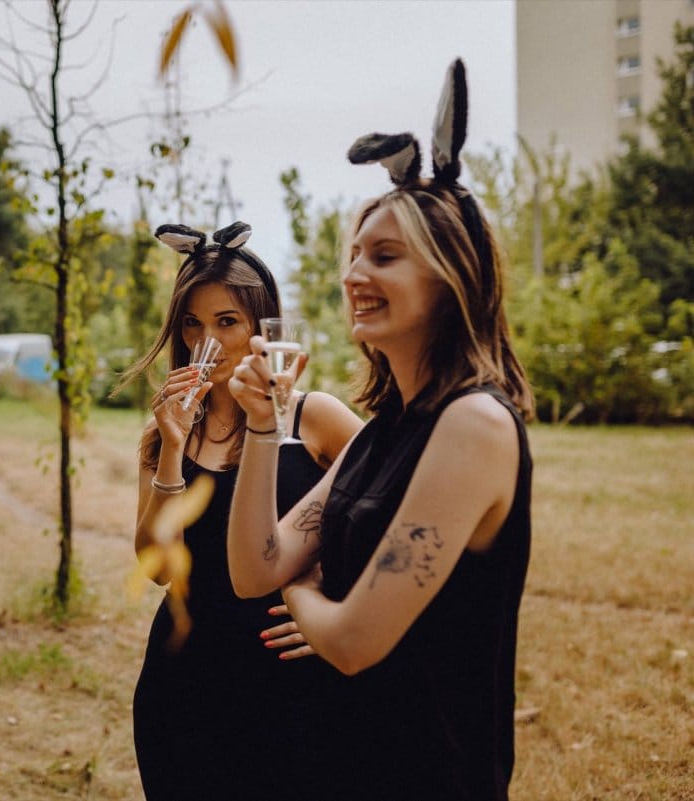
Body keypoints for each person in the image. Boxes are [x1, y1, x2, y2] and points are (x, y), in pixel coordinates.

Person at [225, 59, 535, 801]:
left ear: (452, 274)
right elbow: (254, 568)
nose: (355, 272)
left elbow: (355, 641)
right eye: (355, 254)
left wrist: (310, 593)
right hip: (340, 761)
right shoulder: (378, 434)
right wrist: (264, 431)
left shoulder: (473, 423)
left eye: (386, 256)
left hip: (428, 771)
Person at [117, 220, 362, 801]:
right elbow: (157, 568)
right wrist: (173, 451)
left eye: (228, 322)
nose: (210, 340)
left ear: (260, 329)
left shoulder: (315, 419)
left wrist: (340, 596)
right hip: (186, 685)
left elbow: (395, 503)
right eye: (193, 323)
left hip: (293, 687)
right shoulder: (166, 429)